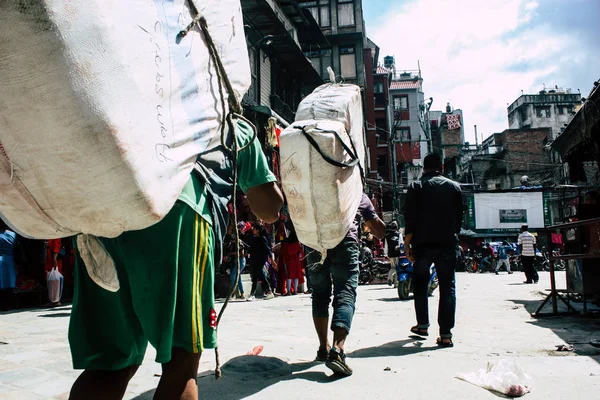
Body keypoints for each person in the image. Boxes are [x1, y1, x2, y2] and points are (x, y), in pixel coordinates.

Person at [68, 118, 284, 400]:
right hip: (176, 213)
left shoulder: (144, 101)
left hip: (101, 211)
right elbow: (268, 209)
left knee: (109, 364)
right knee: (181, 364)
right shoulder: (229, 122)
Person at [307, 193, 386, 377]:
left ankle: (323, 347)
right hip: (345, 241)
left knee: (319, 294)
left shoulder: (312, 187)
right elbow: (379, 231)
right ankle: (337, 349)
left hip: (313, 242)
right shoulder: (356, 193)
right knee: (345, 292)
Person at [403, 153, 463, 348]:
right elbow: (458, 221)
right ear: (442, 167)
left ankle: (422, 325)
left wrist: (407, 245)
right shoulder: (454, 187)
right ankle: (446, 334)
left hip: (421, 246)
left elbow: (409, 219)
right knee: (448, 288)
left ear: (423, 168)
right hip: (447, 245)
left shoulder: (416, 187)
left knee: (420, 284)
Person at [247, 223, 275, 300]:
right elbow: (251, 248)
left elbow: (268, 249)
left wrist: (272, 260)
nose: (253, 230)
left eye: (255, 229)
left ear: (258, 230)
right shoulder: (254, 238)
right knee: (261, 276)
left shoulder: (263, 238)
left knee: (255, 276)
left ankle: (252, 294)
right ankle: (269, 292)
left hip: (260, 260)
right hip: (254, 259)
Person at [278, 229, 304, 295]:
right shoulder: (297, 244)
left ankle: (289, 291)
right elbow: (301, 253)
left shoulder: (286, 244)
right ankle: (295, 291)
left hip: (288, 262)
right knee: (296, 276)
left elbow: (282, 252)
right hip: (296, 262)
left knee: (288, 276)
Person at [384, 221, 403, 286]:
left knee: (392, 267)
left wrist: (385, 254)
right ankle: (396, 283)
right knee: (397, 268)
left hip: (391, 254)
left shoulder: (387, 236)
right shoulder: (399, 234)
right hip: (397, 253)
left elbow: (386, 246)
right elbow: (401, 243)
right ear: (397, 227)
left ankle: (390, 278)